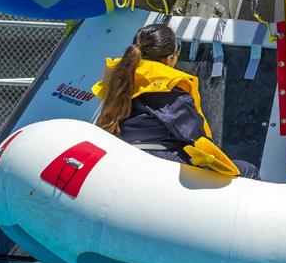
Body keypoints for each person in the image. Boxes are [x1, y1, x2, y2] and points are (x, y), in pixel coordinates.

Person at [92, 23, 259, 178]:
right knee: (247, 170)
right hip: (159, 163)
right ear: (169, 58)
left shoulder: (119, 82)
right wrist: (225, 167)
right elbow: (196, 140)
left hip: (123, 157)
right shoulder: (170, 92)